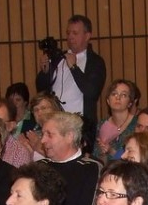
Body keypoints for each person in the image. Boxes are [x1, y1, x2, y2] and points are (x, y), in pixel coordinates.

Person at [34, 14, 107, 153]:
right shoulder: (58, 58)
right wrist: (45, 71)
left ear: (87, 36)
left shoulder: (95, 61)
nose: (70, 37)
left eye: (75, 33)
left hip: (80, 126)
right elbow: (41, 90)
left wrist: (74, 67)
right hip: (55, 124)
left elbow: (92, 91)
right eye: (68, 33)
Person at [95, 79, 140, 163]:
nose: (118, 98)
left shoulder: (137, 124)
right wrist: (103, 153)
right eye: (114, 94)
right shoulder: (101, 124)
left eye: (123, 95)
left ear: (130, 103)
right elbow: (98, 159)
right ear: (108, 101)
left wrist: (111, 151)